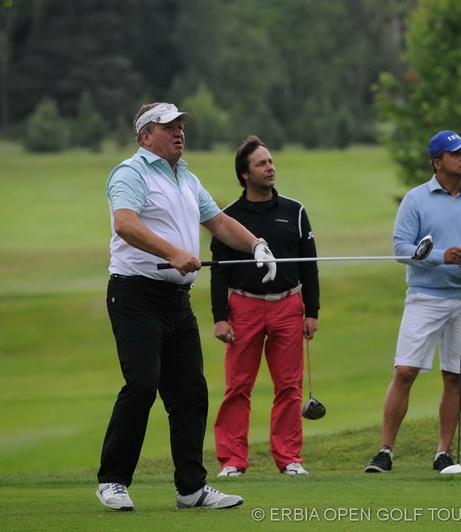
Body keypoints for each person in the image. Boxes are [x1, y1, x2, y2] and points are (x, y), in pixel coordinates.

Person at [96, 103, 278, 512]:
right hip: (135, 295)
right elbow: (125, 223)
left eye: (181, 126)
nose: (179, 132)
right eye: (168, 127)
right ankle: (113, 480)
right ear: (145, 136)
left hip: (177, 301)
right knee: (142, 384)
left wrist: (256, 245)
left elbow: (219, 223)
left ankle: (191, 489)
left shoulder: (187, 178)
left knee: (191, 394)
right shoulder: (131, 173)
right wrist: (174, 252)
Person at [364, 130, 461, 474]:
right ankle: (385, 451)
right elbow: (401, 249)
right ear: (438, 162)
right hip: (425, 297)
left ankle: (443, 454)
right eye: (456, 153)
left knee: (454, 377)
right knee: (405, 371)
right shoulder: (415, 199)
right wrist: (441, 256)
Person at [210, 135, 320, 477]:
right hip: (244, 306)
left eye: (270, 161)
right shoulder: (228, 217)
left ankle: (289, 458)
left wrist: (312, 312)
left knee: (289, 386)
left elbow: (309, 265)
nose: (270, 168)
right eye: (261, 163)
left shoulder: (294, 211)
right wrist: (220, 318)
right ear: (245, 174)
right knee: (238, 386)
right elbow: (218, 273)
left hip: (289, 305)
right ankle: (232, 461)